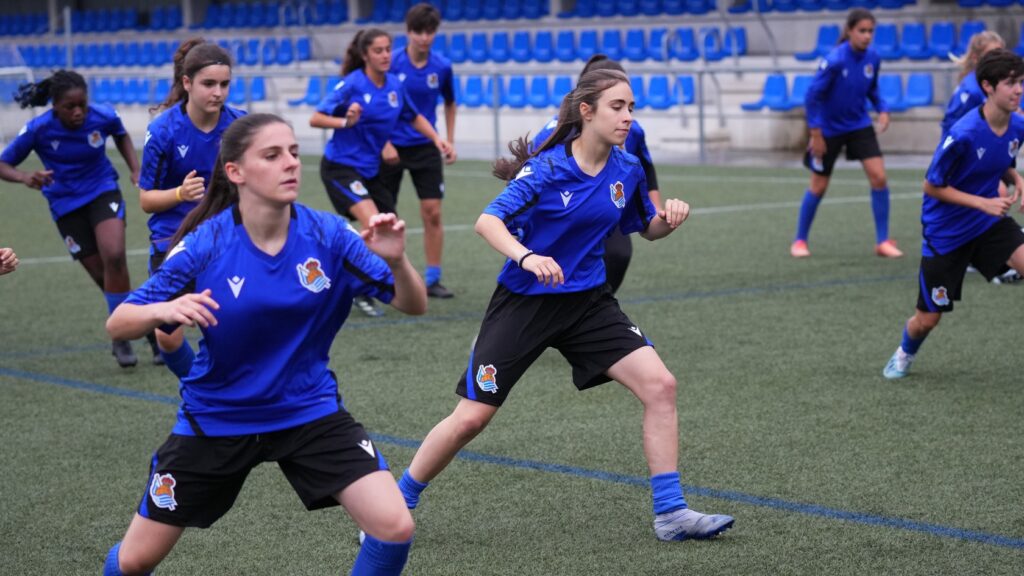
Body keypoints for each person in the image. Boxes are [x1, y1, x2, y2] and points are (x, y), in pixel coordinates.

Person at [393, 69, 735, 542]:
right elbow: (487, 222)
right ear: (586, 111)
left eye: (632, 107)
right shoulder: (548, 168)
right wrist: (527, 256)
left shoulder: (628, 168)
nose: (628, 117)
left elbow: (645, 227)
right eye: (618, 107)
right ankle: (396, 503)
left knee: (661, 386)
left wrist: (669, 220)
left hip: (588, 304)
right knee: (471, 417)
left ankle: (671, 513)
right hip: (524, 303)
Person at [101, 113, 427, 575]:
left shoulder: (330, 235)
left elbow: (412, 304)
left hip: (307, 410)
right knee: (134, 561)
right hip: (217, 417)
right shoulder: (205, 244)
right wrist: (163, 310)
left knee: (394, 524)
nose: (290, 163)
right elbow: (119, 322)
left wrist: (397, 262)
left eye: (294, 152)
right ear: (235, 172)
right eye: (272, 155)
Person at [882, 49, 1024, 379]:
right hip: (946, 233)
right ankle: (905, 352)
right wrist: (983, 202)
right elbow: (932, 186)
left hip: (988, 224)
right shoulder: (963, 133)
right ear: (987, 87)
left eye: (1021, 83)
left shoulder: (1017, 125)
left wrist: (1017, 179)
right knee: (928, 319)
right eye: (1011, 84)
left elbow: (1002, 159)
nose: (1019, 90)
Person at [0, 70, 144, 367]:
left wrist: (135, 167)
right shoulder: (38, 129)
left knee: (115, 256)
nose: (78, 112)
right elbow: (3, 164)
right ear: (55, 106)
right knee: (103, 277)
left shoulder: (102, 116)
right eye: (70, 107)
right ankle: (146, 324)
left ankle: (121, 337)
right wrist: (26, 176)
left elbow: (120, 133)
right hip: (65, 206)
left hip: (103, 191)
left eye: (83, 105)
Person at [310, 28, 452, 317]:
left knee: (389, 229)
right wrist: (344, 123)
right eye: (378, 50)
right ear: (365, 55)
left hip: (371, 171)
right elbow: (316, 118)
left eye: (388, 49)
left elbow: (413, 117)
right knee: (374, 224)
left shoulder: (395, 86)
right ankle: (360, 290)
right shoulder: (351, 84)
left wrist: (438, 140)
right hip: (341, 167)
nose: (385, 55)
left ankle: (363, 278)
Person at [138, 38, 246, 376]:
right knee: (167, 337)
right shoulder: (163, 131)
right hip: (173, 241)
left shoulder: (239, 127)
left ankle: (230, 396)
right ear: (187, 83)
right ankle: (196, 388)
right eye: (209, 84)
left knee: (235, 325)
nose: (218, 92)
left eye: (224, 84)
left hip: (225, 239)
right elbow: (146, 200)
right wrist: (179, 195)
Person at [532, 54, 662, 294]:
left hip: (607, 205)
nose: (626, 114)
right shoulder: (556, 129)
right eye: (615, 104)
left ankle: (596, 309)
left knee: (619, 254)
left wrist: (657, 210)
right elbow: (526, 173)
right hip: (562, 212)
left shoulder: (632, 130)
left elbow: (647, 169)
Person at [792, 8, 902, 259]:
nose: (867, 36)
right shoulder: (834, 60)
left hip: (859, 126)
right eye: (862, 31)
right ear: (850, 31)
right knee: (818, 187)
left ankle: (882, 241)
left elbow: (873, 90)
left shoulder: (873, 58)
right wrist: (815, 133)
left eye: (870, 31)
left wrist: (882, 109)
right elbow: (812, 97)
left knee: (879, 178)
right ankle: (799, 240)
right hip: (828, 130)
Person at [379, 3, 458, 299]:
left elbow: (450, 103)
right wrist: (383, 142)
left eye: (429, 31)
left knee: (432, 212)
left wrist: (448, 139)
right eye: (418, 32)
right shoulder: (392, 63)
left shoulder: (443, 66)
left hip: (426, 146)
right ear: (408, 32)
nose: (424, 37)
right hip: (390, 148)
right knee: (387, 216)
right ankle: (387, 276)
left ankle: (433, 278)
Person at [940, 31, 1021, 284]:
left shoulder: (1004, 87)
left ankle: (992, 253)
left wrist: (1013, 173)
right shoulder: (972, 91)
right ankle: (991, 258)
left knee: (997, 192)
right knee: (994, 192)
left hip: (987, 156)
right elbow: (952, 132)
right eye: (992, 54)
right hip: (963, 162)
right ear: (976, 59)